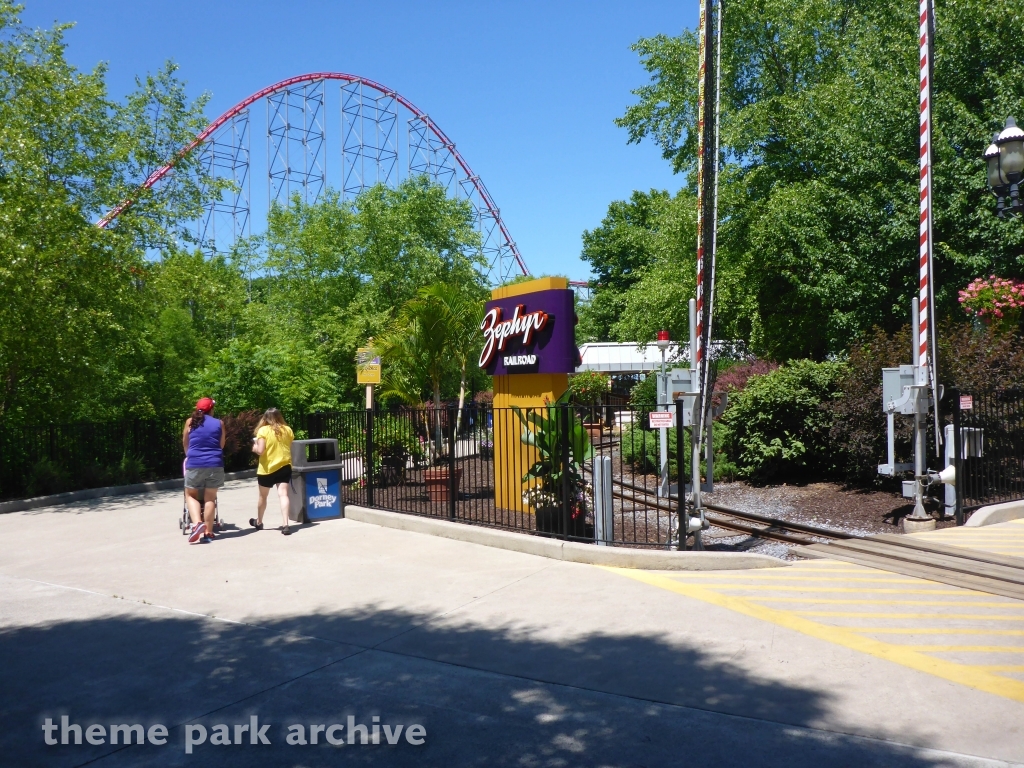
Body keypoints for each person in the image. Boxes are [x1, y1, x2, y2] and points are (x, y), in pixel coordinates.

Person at [183, 397, 225, 544]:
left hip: (195, 463)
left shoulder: (190, 422)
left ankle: (197, 524)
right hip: (215, 463)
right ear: (211, 409)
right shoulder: (219, 423)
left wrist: (190, 455)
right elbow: (221, 445)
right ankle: (208, 532)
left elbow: (186, 443)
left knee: (191, 494)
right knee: (210, 498)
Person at [250, 408, 295, 535]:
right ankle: (285, 524)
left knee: (263, 496)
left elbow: (261, 451)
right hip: (284, 466)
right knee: (283, 494)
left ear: (265, 418)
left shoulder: (263, 431)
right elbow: (288, 447)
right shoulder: (287, 430)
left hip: (267, 469)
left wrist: (254, 447)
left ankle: (259, 522)